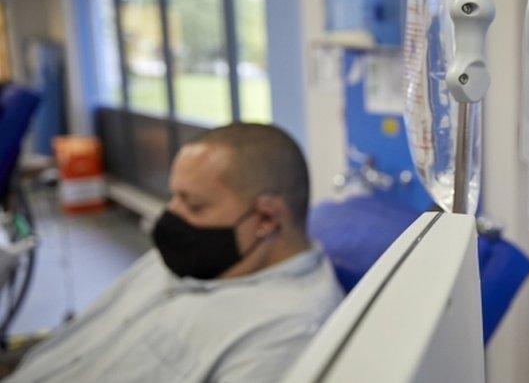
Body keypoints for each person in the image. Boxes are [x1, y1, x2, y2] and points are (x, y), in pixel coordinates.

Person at [6, 123, 344, 382]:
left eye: (194, 205)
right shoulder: (187, 260)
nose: (171, 216)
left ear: (267, 217)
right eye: (174, 197)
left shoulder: (287, 333)